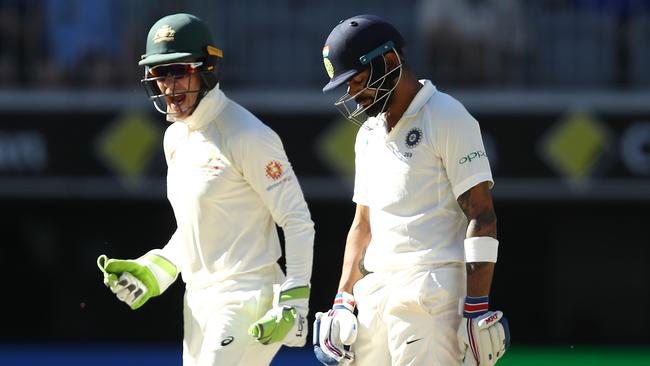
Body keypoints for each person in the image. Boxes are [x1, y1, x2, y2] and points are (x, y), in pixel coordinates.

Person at [96, 13, 314, 366]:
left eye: (178, 71)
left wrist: (294, 301)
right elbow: (196, 229)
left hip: (248, 297)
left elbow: (297, 220)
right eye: (159, 74)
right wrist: (157, 269)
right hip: (197, 301)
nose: (168, 85)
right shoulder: (174, 138)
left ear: (207, 69)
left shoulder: (248, 135)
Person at [312, 15, 510, 366]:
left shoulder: (447, 116)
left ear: (389, 61)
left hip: (431, 294)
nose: (354, 96)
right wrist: (342, 300)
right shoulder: (368, 134)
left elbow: (482, 213)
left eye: (358, 81)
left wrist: (476, 308)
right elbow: (363, 225)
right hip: (375, 294)